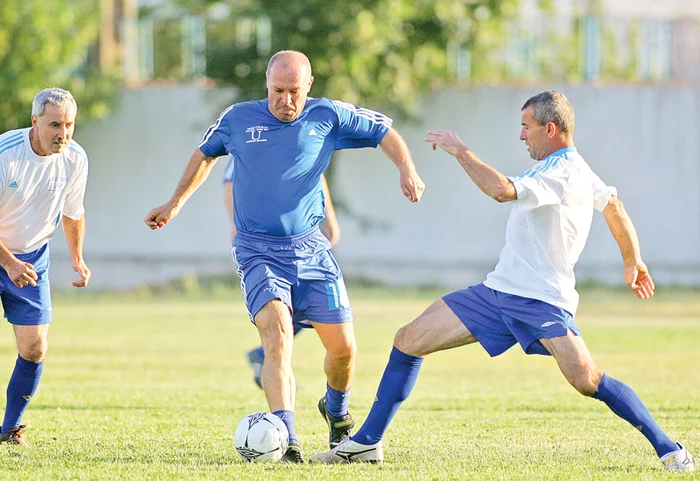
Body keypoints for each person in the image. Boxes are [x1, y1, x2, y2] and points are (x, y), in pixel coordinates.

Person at [311, 90, 695, 473]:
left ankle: (671, 450)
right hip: (498, 292)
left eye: (526, 127)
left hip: (541, 300)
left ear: (550, 128)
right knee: (408, 340)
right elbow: (614, 205)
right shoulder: (575, 166)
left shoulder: (559, 172)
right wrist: (634, 261)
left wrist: (462, 151)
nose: (521, 136)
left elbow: (500, 191)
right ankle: (365, 443)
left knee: (586, 379)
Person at [145, 50, 425, 463]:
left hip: (312, 249)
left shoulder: (327, 115)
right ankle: (287, 436)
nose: (286, 100)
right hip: (257, 249)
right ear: (266, 84)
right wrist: (175, 203)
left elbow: (385, 130)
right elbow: (204, 153)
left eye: (295, 91)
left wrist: (407, 168)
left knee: (344, 349)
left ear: (308, 86)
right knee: (276, 336)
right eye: (278, 91)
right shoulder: (238, 118)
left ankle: (336, 409)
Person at [0, 88, 91, 446]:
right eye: (55, 125)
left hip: (32, 259)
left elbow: (73, 212)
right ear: (34, 121)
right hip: (6, 256)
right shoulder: (6, 154)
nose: (63, 134)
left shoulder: (75, 158)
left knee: (35, 348)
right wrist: (8, 262)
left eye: (69, 125)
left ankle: (9, 429)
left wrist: (77, 257)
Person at [222, 156, 342, 389]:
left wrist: (331, 218)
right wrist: (237, 227)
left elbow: (316, 176)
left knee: (310, 311)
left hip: (303, 247)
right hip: (263, 248)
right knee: (283, 310)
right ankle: (266, 358)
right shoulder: (249, 140)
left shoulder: (303, 137)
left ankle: (262, 355)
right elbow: (230, 183)